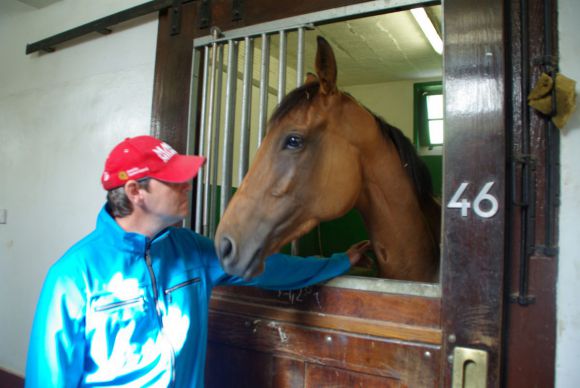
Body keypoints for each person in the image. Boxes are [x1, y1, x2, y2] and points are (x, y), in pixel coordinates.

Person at [25, 135, 370, 387]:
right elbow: (49, 377)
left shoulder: (191, 251)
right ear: (135, 192)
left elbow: (271, 268)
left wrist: (339, 262)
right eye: (174, 180)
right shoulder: (72, 276)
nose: (188, 186)